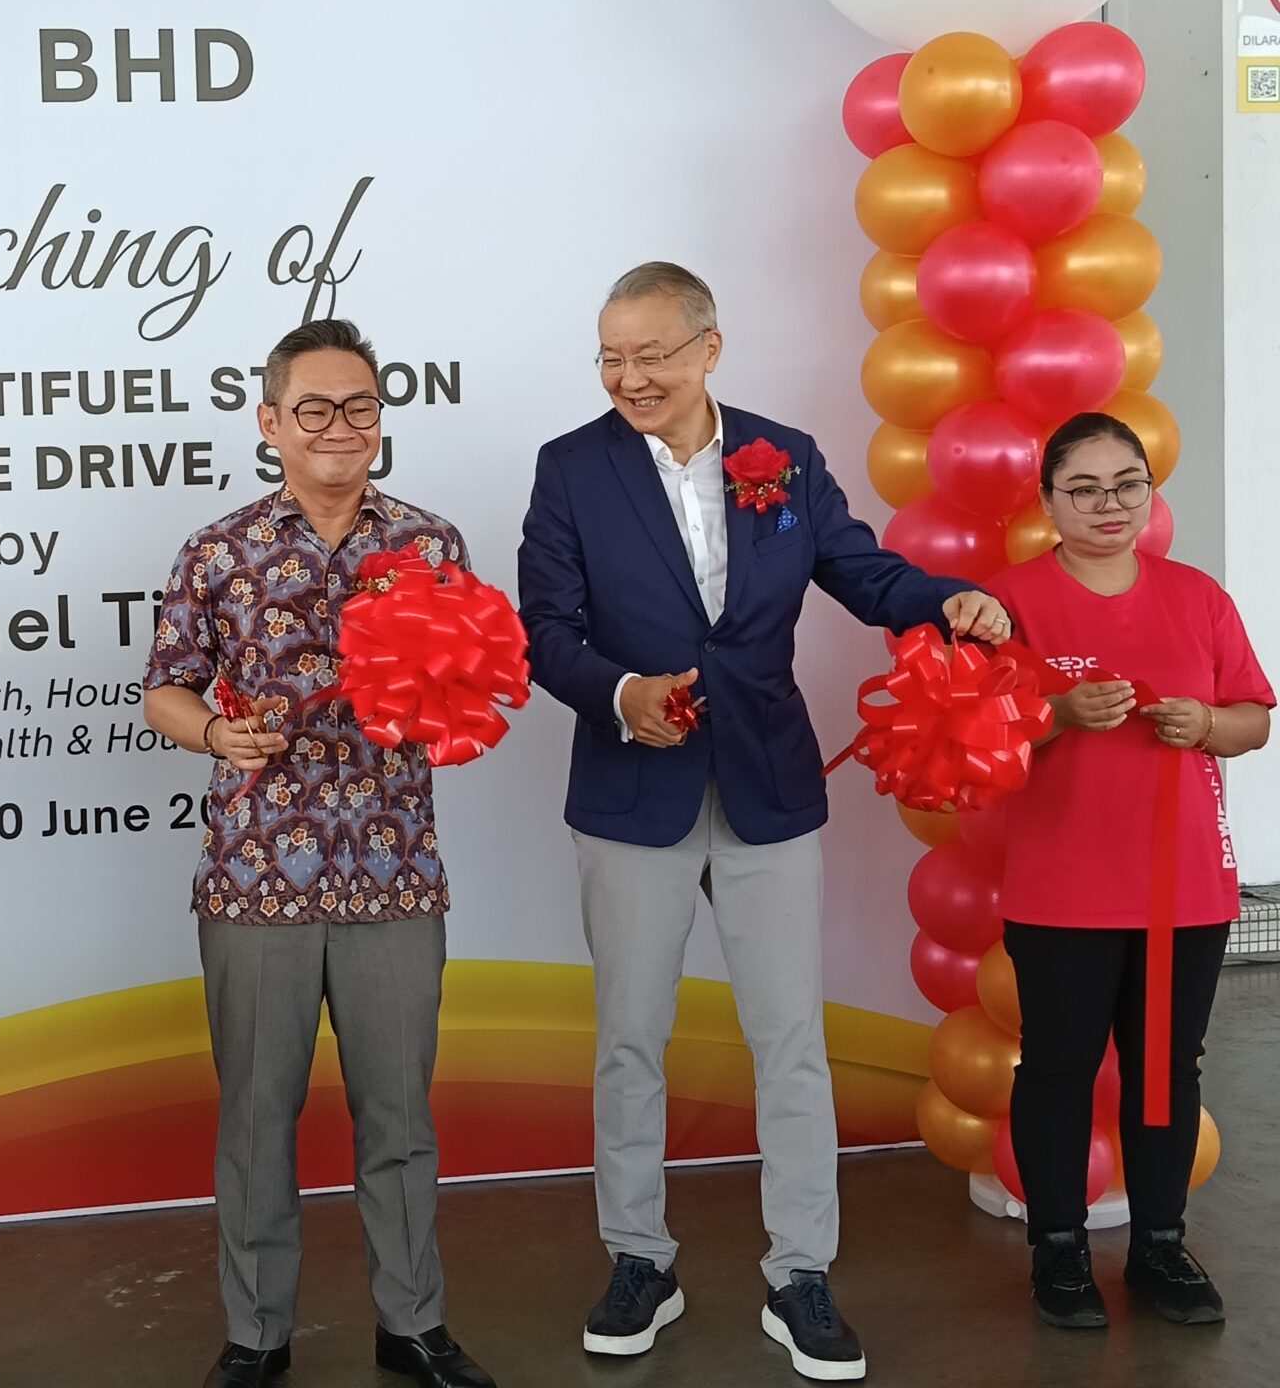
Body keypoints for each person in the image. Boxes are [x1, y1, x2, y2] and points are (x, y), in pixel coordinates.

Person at [516, 263, 1014, 1383]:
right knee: (629, 1041)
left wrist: (944, 601)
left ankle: (801, 1275)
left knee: (790, 1042)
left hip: (767, 788)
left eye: (650, 354)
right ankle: (639, 1260)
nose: (627, 377)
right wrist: (619, 694)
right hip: (630, 793)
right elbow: (545, 629)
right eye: (610, 356)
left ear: (709, 348)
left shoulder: (780, 456)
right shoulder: (571, 467)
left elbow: (862, 572)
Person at [142, 319, 495, 1388]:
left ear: (379, 417)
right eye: (314, 409)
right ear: (270, 422)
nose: (339, 427)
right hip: (256, 877)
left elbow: (473, 685)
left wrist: (447, 708)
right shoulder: (218, 550)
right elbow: (164, 689)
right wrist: (216, 734)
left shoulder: (431, 546)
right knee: (256, 1120)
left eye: (359, 407)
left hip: (395, 871)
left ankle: (413, 1324)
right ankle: (256, 1335)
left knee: (401, 1119)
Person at [984, 412, 1271, 1330]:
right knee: (1058, 1067)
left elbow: (1253, 719)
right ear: (1047, 501)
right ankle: (1058, 1250)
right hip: (1062, 888)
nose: (1109, 504)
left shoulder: (1197, 597)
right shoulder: (1009, 602)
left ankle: (1160, 1245)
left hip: (1182, 889)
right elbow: (976, 736)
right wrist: (1058, 714)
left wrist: (1208, 725)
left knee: (1167, 1071)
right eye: (1084, 488)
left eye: (1127, 484)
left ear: (1150, 491)